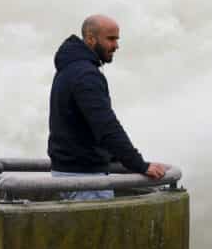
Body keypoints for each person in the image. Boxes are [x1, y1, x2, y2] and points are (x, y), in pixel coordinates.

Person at [47, 14, 172, 199]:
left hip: (67, 173)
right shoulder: (85, 75)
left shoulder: (69, 68)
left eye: (117, 39)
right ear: (90, 39)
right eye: (111, 39)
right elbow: (106, 126)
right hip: (86, 181)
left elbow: (81, 124)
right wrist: (139, 165)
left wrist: (114, 157)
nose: (116, 46)